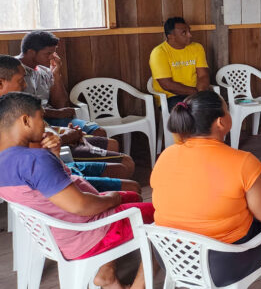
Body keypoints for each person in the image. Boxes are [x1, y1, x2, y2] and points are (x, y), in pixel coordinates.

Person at [0, 92, 153, 289]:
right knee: (164, 219)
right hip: (85, 234)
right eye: (42, 118)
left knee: (132, 195)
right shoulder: (34, 160)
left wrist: (53, 154)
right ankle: (138, 286)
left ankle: (106, 273)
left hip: (58, 231)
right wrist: (112, 200)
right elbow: (81, 206)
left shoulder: (10, 159)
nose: (45, 125)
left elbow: (49, 186)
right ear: (26, 120)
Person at [150, 91, 261, 288]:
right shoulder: (243, 162)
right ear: (221, 122)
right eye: (227, 110)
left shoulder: (166, 156)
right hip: (221, 266)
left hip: (171, 257)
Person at [0, 55, 139, 193]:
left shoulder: (14, 104)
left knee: (118, 153)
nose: (25, 84)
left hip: (58, 161)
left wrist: (63, 131)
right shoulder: (9, 115)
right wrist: (65, 137)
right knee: (128, 176)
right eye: (20, 80)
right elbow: (36, 151)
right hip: (53, 171)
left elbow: (44, 131)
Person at [18, 31, 106, 136]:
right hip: (26, 123)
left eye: (53, 53)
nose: (51, 57)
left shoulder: (44, 71)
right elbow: (16, 108)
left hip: (51, 119)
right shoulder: (11, 70)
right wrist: (57, 113)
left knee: (98, 131)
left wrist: (56, 74)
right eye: (48, 53)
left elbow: (60, 105)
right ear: (31, 52)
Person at [149, 17, 210, 108]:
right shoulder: (159, 52)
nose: (190, 35)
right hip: (170, 97)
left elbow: (203, 75)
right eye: (184, 33)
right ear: (171, 36)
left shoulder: (197, 48)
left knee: (216, 105)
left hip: (196, 94)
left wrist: (200, 94)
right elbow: (167, 85)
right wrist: (196, 93)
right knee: (195, 109)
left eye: (189, 31)